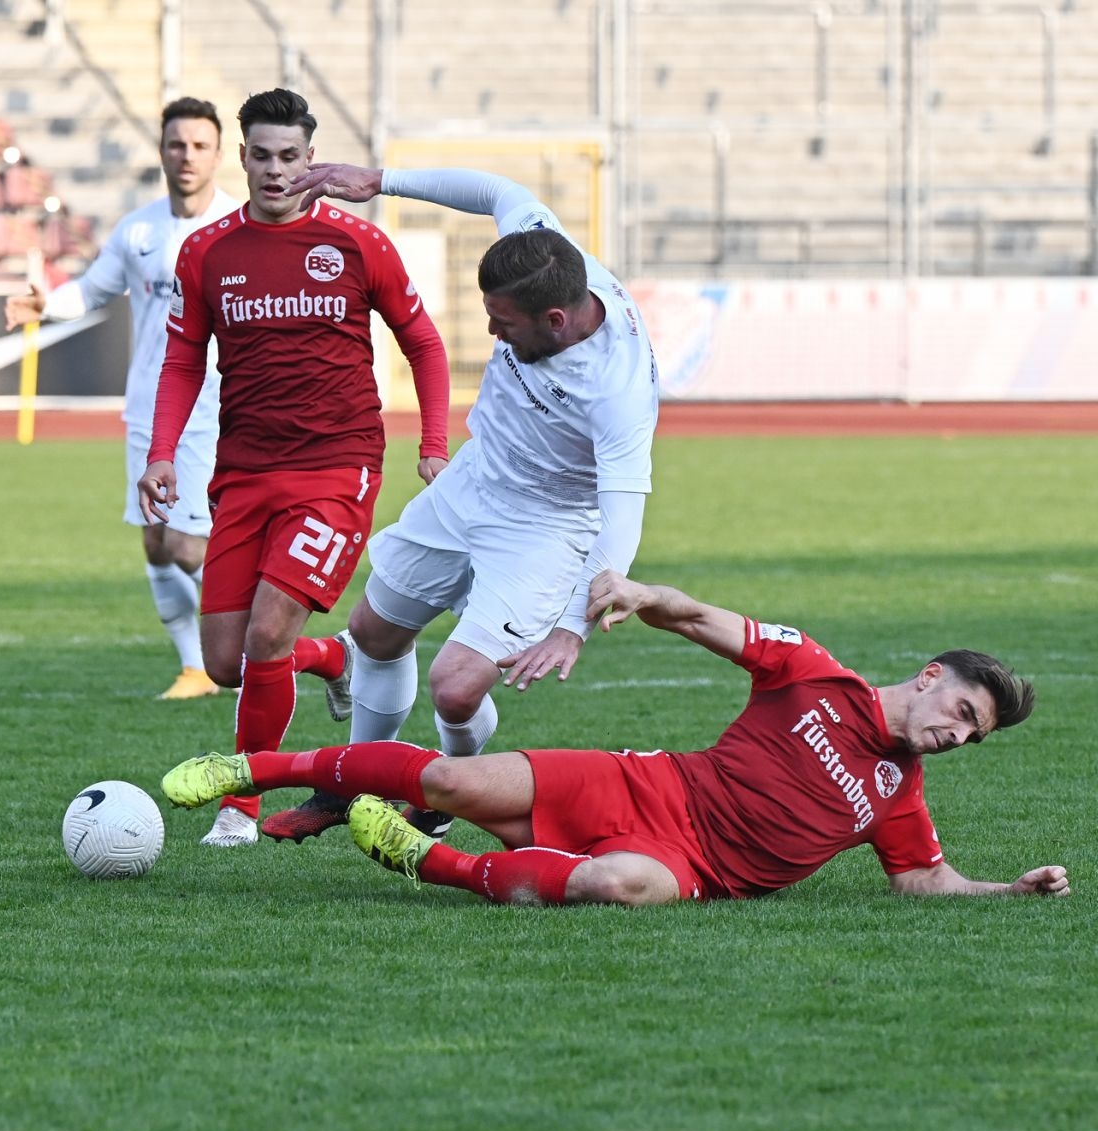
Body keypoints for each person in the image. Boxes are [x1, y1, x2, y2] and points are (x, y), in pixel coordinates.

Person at [162, 570, 1069, 905]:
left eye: (973, 737)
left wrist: (1012, 889)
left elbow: (922, 877)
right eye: (962, 714)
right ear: (929, 678)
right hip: (652, 789)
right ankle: (253, 767)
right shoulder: (813, 672)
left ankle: (423, 863)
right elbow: (707, 617)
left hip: (694, 870)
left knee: (620, 883)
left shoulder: (896, 793)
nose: (957, 736)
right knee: (449, 782)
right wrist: (645, 598)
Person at [258, 162, 659, 843]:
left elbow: (623, 520)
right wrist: (380, 180)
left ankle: (450, 789)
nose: (495, 336)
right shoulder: (546, 253)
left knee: (455, 686)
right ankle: (344, 784)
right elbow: (500, 191)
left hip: (547, 524)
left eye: (504, 325)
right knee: (377, 632)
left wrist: (572, 626)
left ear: (556, 320)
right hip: (475, 480)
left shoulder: (616, 390)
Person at [139, 88, 452, 848]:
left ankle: (241, 802)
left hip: (337, 469)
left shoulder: (356, 243)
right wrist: (159, 455)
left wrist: (434, 443)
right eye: (261, 156)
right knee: (226, 661)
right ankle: (334, 657)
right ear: (240, 156)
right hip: (244, 471)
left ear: (311, 159)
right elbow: (183, 356)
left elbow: (426, 343)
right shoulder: (207, 250)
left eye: (290, 157)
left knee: (267, 632)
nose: (275, 171)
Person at [5, 98, 241, 701]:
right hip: (146, 408)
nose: (186, 156)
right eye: (176, 144)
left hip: (212, 408)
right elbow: (91, 291)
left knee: (188, 545)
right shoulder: (137, 230)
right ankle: (197, 668)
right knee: (156, 544)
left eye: (198, 146)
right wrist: (45, 305)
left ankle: (246, 653)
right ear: (161, 150)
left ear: (219, 154)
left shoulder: (239, 230)